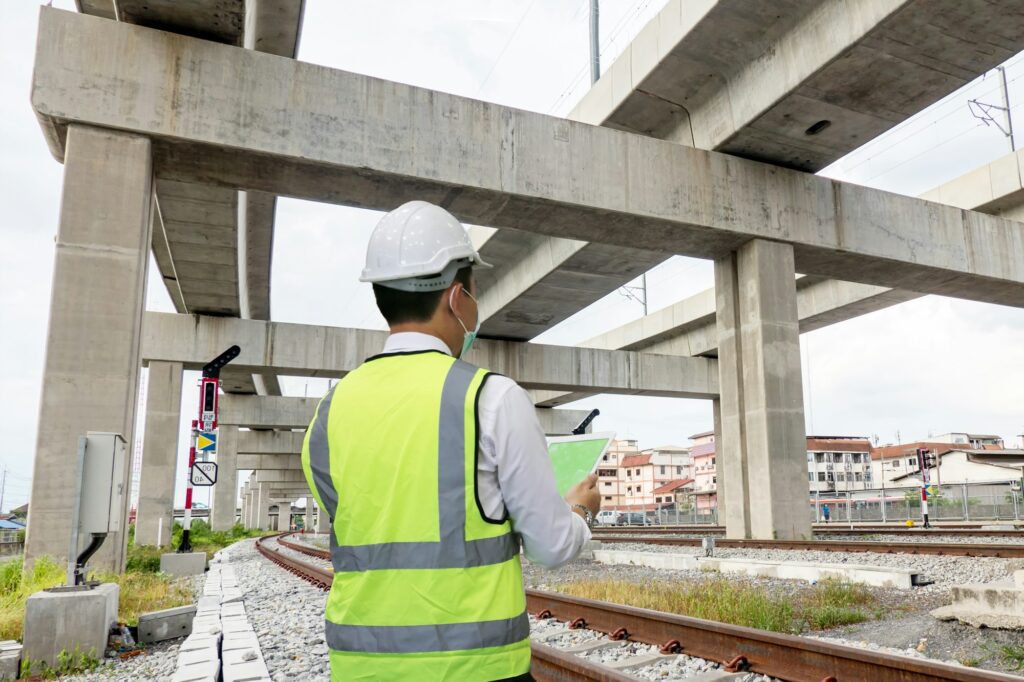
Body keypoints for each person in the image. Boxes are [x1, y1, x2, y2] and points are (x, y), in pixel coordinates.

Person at [301, 201, 601, 682]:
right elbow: (551, 546)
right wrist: (581, 511)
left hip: (360, 669)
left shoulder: (329, 412)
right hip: (477, 669)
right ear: (458, 298)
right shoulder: (491, 399)